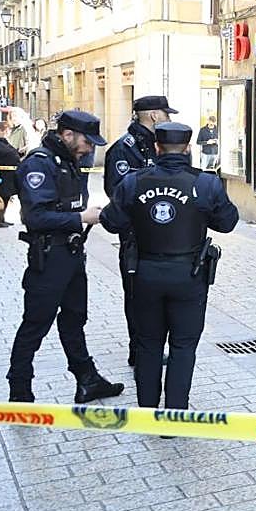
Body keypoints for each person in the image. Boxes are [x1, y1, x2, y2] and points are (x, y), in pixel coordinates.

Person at [100, 122, 238, 411]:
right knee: (183, 346)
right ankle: (175, 412)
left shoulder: (134, 182)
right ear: (187, 148)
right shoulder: (205, 183)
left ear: (157, 148)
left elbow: (110, 221)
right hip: (189, 275)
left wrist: (138, 216)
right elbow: (227, 222)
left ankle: (148, 412)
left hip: (145, 273)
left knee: (148, 345)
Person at [6, 110, 124, 404]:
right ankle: (20, 391)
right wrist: (81, 217)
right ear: (67, 135)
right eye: (87, 141)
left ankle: (87, 379)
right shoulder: (39, 163)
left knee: (74, 319)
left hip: (71, 254)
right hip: (49, 256)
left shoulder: (69, 160)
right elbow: (36, 217)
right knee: (36, 323)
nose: (90, 148)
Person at [104, 94, 176, 367]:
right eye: (166, 114)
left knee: (162, 297)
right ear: (154, 115)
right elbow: (118, 194)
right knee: (136, 296)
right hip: (137, 237)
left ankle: (153, 347)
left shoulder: (161, 145)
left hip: (164, 235)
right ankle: (139, 349)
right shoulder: (124, 148)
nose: (169, 119)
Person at [0, 120, 19, 227]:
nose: (8, 132)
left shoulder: (3, 141)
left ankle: (2, 218)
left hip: (8, 175)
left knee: (6, 197)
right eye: (6, 130)